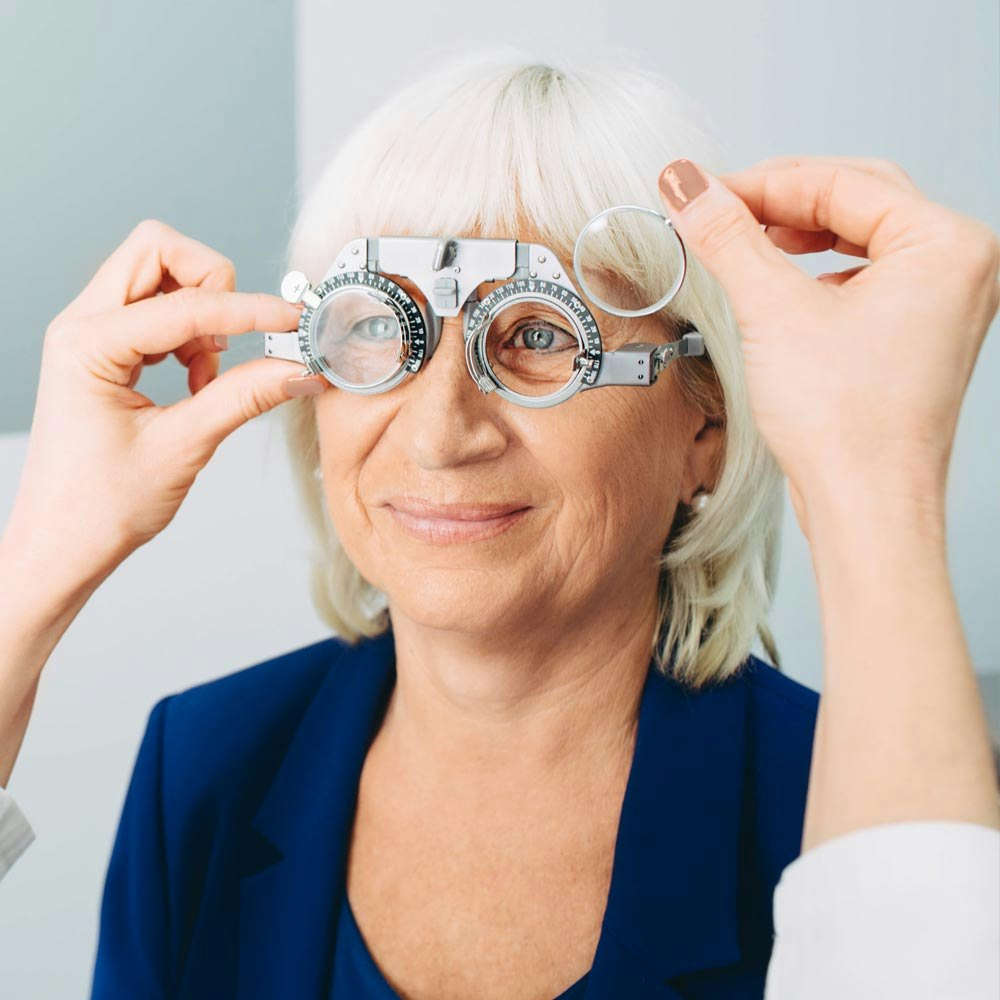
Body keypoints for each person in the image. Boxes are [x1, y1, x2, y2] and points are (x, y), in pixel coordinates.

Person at [1, 52, 998, 1000]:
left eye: (534, 334)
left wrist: (871, 472)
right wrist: (36, 565)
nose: (440, 433)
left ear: (707, 421)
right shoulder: (207, 765)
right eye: (380, 327)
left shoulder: (866, 802)